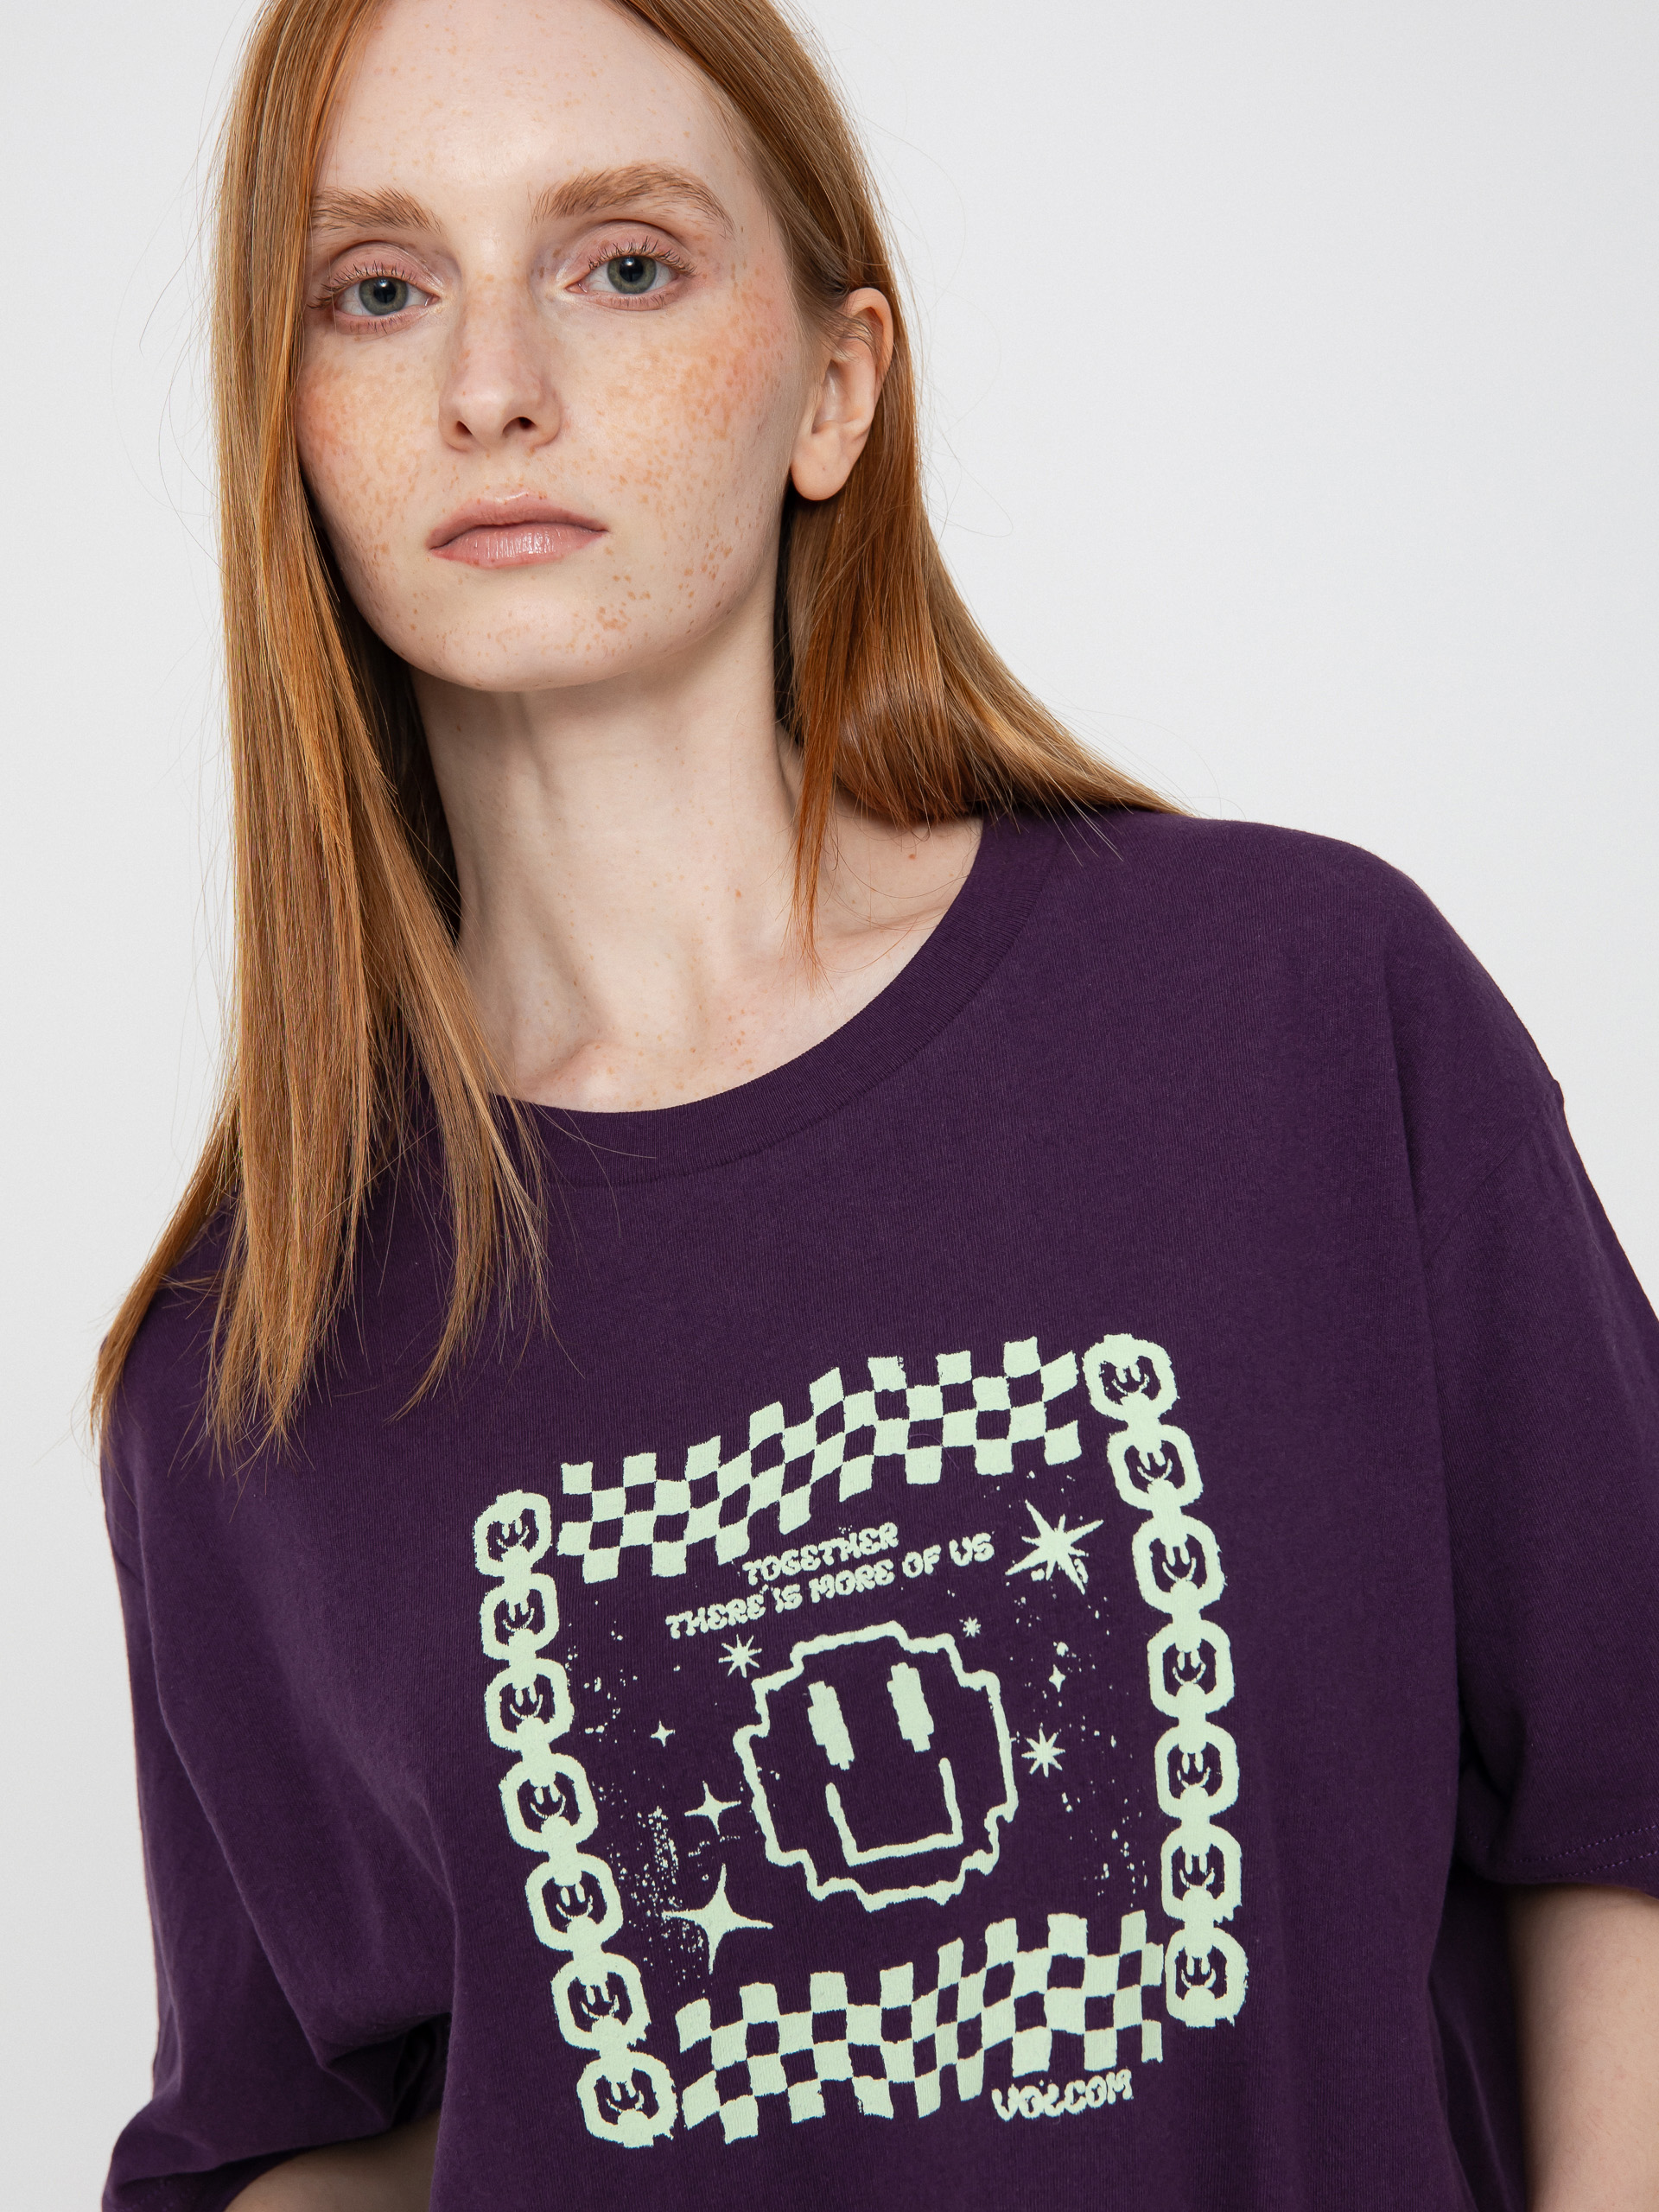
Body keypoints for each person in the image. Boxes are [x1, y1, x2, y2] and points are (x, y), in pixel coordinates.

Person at [94, 0, 1659, 2205]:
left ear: (836, 388)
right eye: (377, 289)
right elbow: (299, 2135)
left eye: (623, 261)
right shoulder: (247, 1354)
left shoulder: (1297, 1012)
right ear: (292, 416)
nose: (491, 383)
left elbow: (1625, 1784)